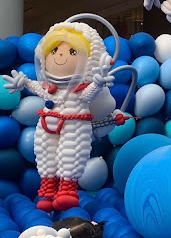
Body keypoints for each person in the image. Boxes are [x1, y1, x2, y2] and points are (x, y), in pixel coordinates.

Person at [2, 22, 115, 212]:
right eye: (54, 51)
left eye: (72, 52)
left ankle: (67, 191)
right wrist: (24, 83)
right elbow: (39, 89)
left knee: (71, 155)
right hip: (47, 124)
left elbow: (89, 94)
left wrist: (97, 83)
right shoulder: (50, 89)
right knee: (46, 155)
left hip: (74, 125)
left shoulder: (79, 91)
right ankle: (47, 192)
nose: (60, 56)